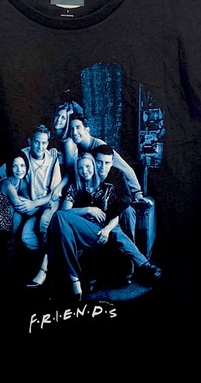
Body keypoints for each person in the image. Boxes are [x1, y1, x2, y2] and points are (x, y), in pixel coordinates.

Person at [0, 124, 62, 252]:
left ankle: (49, 257)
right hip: (28, 203)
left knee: (43, 226)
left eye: (44, 143)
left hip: (47, 202)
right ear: (30, 141)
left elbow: (55, 194)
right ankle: (13, 243)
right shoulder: (22, 155)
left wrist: (35, 204)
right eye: (37, 142)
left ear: (48, 143)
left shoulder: (52, 160)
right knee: (26, 238)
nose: (40, 147)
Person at [46, 152, 121, 300]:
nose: (84, 171)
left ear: (93, 165)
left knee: (59, 218)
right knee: (63, 228)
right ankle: (75, 280)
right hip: (78, 233)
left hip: (98, 232)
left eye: (87, 166)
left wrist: (107, 230)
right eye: (80, 168)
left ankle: (67, 276)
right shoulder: (75, 187)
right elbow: (64, 212)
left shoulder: (107, 187)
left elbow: (115, 217)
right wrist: (87, 210)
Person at [91, 144, 162, 283]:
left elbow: (126, 198)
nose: (103, 167)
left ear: (112, 162)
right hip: (96, 215)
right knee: (117, 228)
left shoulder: (116, 174)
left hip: (113, 211)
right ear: (94, 160)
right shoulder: (88, 173)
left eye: (107, 163)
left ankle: (131, 264)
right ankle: (141, 264)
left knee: (129, 213)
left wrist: (111, 214)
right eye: (99, 162)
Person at [68, 112, 151, 206]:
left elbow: (126, 169)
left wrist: (137, 193)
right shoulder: (76, 148)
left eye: (78, 127)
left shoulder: (99, 146)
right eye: (71, 129)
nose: (74, 132)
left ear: (87, 130)